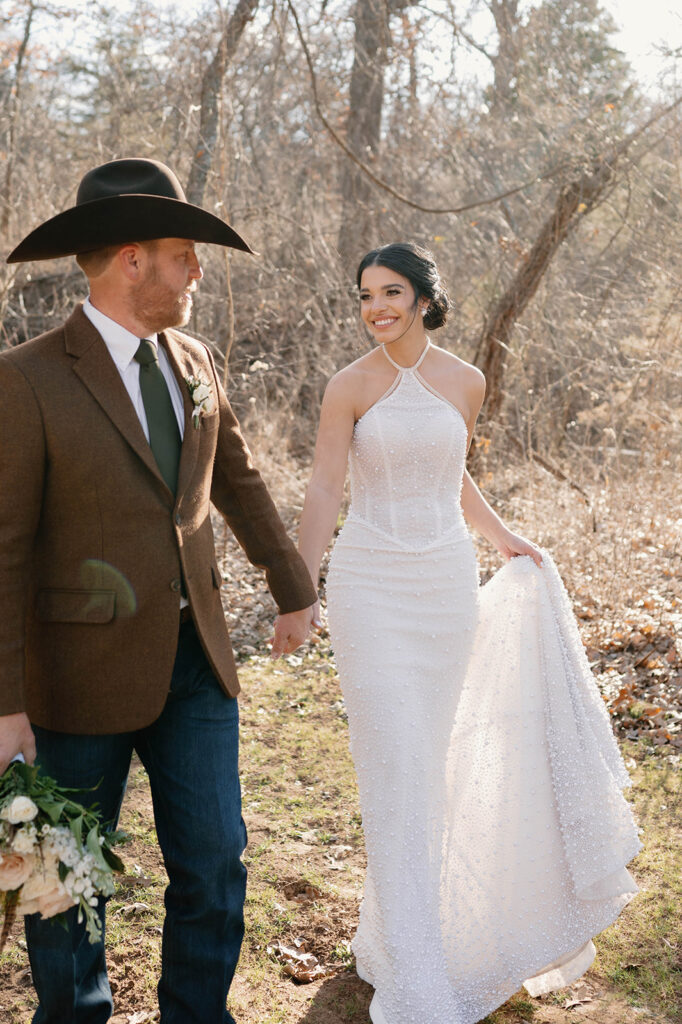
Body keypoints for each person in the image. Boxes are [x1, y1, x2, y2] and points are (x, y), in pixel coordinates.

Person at [0, 157, 317, 1023]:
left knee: (216, 863)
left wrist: (293, 586)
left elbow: (239, 482)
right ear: (132, 259)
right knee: (67, 880)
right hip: (74, 681)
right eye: (184, 253)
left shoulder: (196, 356)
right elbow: (2, 551)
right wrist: (5, 704)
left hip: (196, 665)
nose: (197, 270)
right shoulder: (25, 378)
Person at [295, 242, 640, 1024]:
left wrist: (504, 538)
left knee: (433, 763)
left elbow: (452, 473)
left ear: (423, 298)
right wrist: (300, 588)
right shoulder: (348, 387)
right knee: (397, 763)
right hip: (371, 587)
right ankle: (414, 969)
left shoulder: (466, 380)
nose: (375, 308)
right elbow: (324, 486)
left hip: (444, 584)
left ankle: (400, 930)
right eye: (364, 296)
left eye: (389, 293)